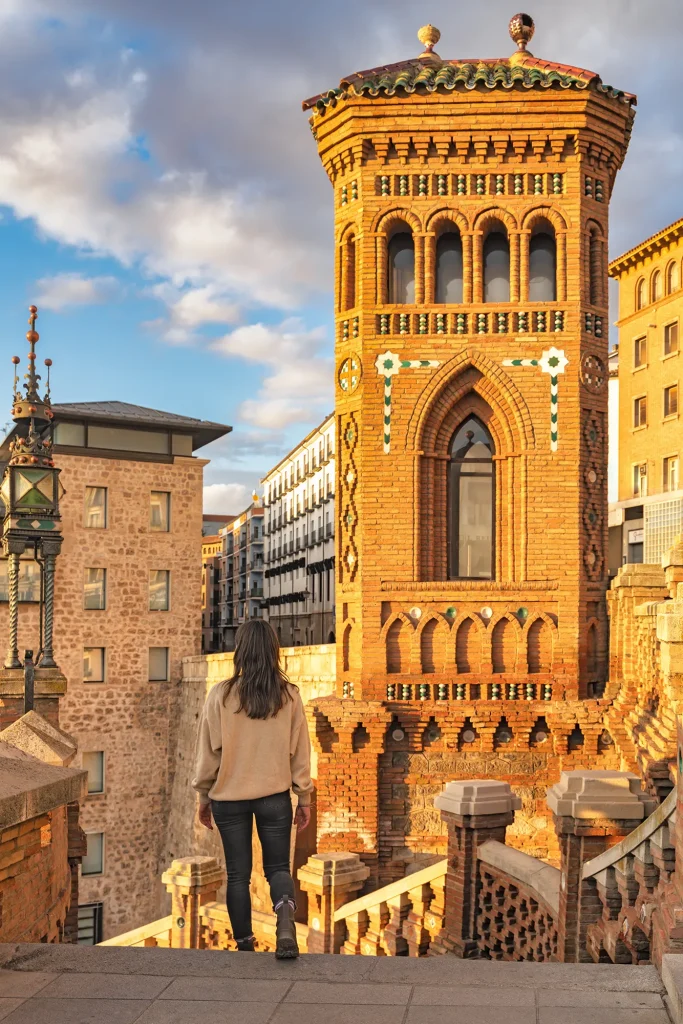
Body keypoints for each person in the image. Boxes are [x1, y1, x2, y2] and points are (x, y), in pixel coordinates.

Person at [192, 619, 312, 958]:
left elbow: (208, 753)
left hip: (228, 799)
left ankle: (245, 946)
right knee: (277, 869)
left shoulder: (221, 695)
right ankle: (285, 922)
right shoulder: (289, 696)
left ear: (240, 652)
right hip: (274, 797)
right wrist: (304, 798)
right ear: (273, 651)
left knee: (237, 876)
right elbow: (300, 752)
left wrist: (203, 796)